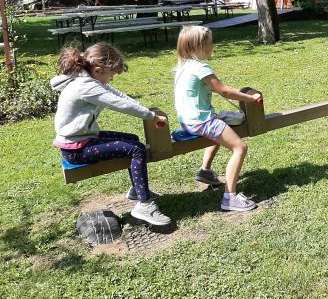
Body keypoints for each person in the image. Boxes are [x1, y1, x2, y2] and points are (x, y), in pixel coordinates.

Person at [51, 43, 171, 226]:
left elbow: (118, 95)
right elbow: (118, 103)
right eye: (112, 74)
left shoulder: (89, 79)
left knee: (132, 140)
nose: (112, 78)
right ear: (99, 70)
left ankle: (137, 190)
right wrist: (151, 116)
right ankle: (144, 205)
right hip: (78, 149)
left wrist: (146, 111)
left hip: (83, 139)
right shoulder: (86, 86)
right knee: (137, 149)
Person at [174, 25, 262, 212]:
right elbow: (223, 90)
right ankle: (230, 198)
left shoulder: (184, 66)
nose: (212, 46)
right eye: (209, 43)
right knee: (240, 147)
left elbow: (217, 88)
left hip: (187, 120)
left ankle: (205, 171)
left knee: (221, 128)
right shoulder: (200, 67)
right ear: (198, 46)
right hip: (201, 121)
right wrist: (250, 98)